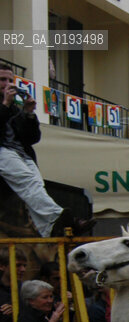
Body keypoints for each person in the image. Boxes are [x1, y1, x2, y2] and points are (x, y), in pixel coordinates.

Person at [0, 64, 93, 238]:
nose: (7, 84)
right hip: (3, 152)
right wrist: (5, 104)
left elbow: (33, 138)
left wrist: (28, 113)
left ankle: (48, 230)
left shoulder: (13, 108)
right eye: (2, 79)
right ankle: (67, 219)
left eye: (10, 80)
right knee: (28, 182)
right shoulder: (7, 106)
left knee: (36, 187)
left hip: (22, 154)